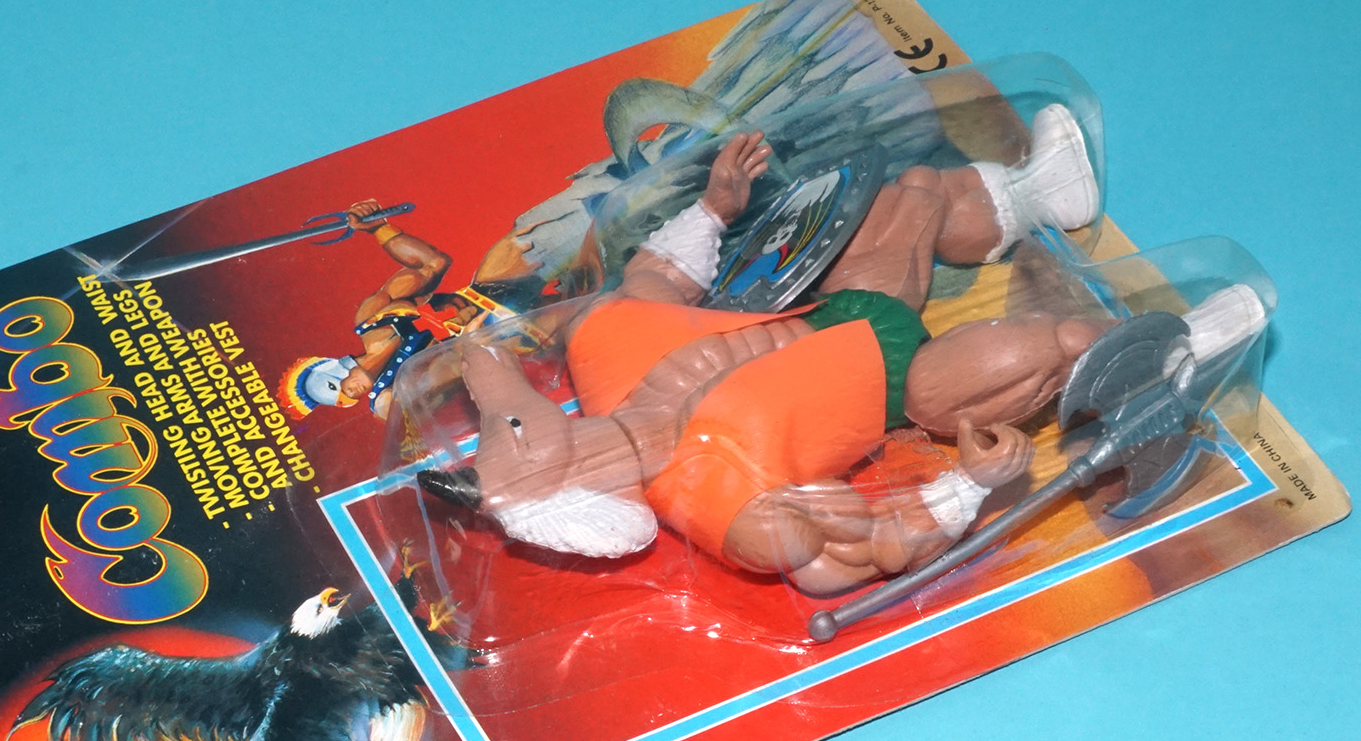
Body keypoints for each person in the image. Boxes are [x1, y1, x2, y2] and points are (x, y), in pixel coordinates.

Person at [417, 110, 1262, 596]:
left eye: (507, 423)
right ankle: (1189, 352)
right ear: (563, 488)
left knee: (910, 193)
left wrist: (717, 207)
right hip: (911, 389)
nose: (516, 416)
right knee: (1059, 343)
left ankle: (1043, 193)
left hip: (837, 308)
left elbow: (657, 277)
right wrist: (970, 485)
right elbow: (845, 561)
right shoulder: (726, 510)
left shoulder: (604, 346)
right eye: (515, 432)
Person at [280, 201, 489, 422]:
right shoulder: (389, 394)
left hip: (480, 296)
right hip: (494, 339)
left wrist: (379, 228)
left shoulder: (371, 319)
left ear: (338, 371)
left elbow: (431, 264)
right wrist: (466, 344)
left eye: (343, 388)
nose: (353, 392)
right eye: (349, 397)